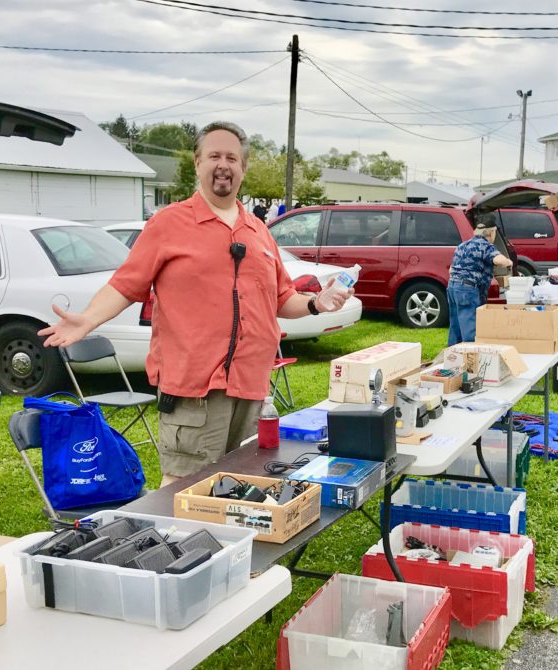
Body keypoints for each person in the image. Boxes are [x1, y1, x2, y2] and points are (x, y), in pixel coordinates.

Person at [38, 121, 351, 485]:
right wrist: (88, 319)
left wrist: (316, 303)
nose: (224, 164)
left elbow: (282, 298)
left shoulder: (258, 231)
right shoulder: (168, 224)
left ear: (243, 168)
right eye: (214, 155)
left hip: (251, 388)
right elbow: (125, 284)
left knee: (244, 487)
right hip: (195, 394)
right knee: (184, 493)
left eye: (232, 157)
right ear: (198, 163)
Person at [446, 217, 514, 345]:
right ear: (491, 233)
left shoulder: (462, 245)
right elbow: (499, 260)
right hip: (468, 290)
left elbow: (451, 269)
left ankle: (452, 358)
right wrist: (509, 262)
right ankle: (470, 358)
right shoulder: (485, 246)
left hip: (452, 287)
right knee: (470, 329)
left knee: (456, 326)